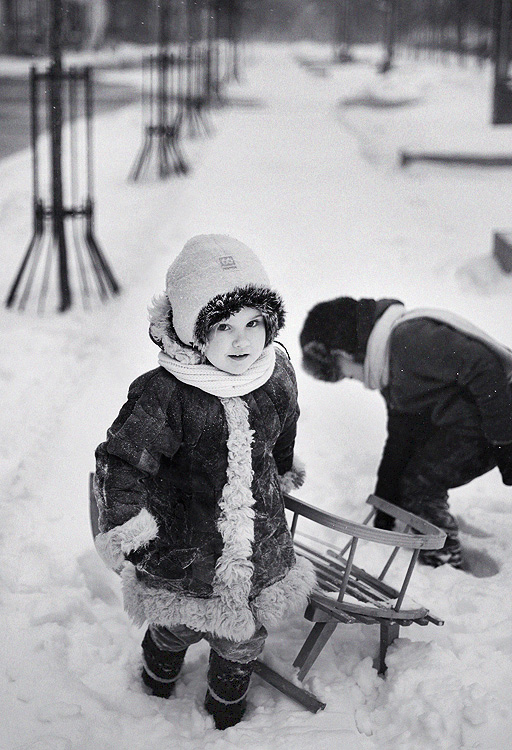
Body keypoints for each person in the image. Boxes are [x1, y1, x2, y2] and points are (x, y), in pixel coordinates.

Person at [93, 235, 314, 729]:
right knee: (175, 623)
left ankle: (226, 710)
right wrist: (126, 522)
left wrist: (282, 466)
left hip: (258, 538)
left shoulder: (274, 372)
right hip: (186, 542)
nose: (242, 341)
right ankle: (157, 678)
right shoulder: (166, 393)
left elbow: (286, 424)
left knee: (243, 639)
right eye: (224, 327)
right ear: (193, 332)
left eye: (254, 323)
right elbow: (124, 457)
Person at [299, 296, 512, 568]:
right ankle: (439, 551)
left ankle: (442, 561)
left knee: (421, 483)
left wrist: (504, 442)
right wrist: (384, 503)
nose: (355, 381)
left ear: (343, 354)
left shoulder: (410, 339)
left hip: (499, 413)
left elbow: (484, 367)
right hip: (474, 426)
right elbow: (401, 436)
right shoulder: (390, 367)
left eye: (347, 374)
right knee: (413, 478)